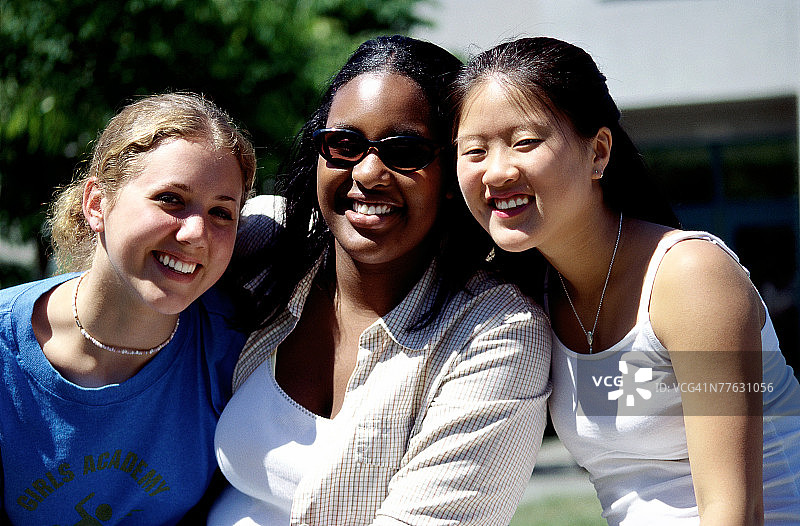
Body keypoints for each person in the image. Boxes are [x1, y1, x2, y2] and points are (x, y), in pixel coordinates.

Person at [453, 36, 800, 525]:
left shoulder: (689, 276)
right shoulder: (531, 299)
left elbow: (734, 511)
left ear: (598, 152)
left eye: (524, 142)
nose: (497, 171)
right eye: (474, 151)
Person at [209, 35, 551, 526]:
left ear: (452, 176)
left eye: (405, 151)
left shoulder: (498, 334)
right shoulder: (265, 246)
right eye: (344, 144)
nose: (368, 172)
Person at [0, 92, 257, 525]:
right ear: (97, 204)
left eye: (221, 212)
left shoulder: (234, 353)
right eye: (171, 199)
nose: (196, 233)